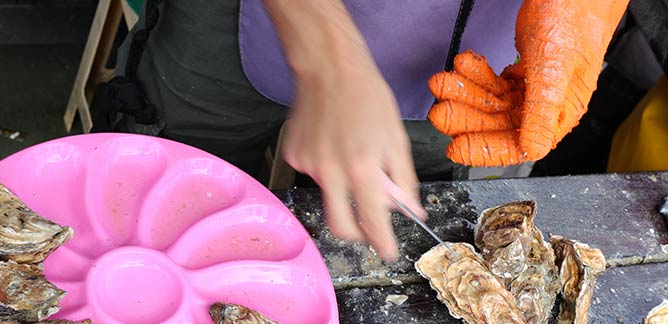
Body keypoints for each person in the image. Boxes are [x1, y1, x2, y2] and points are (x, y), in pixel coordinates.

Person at [97, 0, 627, 260]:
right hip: (238, 23)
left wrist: (589, 11)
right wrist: (329, 55)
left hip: (480, 55)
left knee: (404, 244)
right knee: (157, 209)